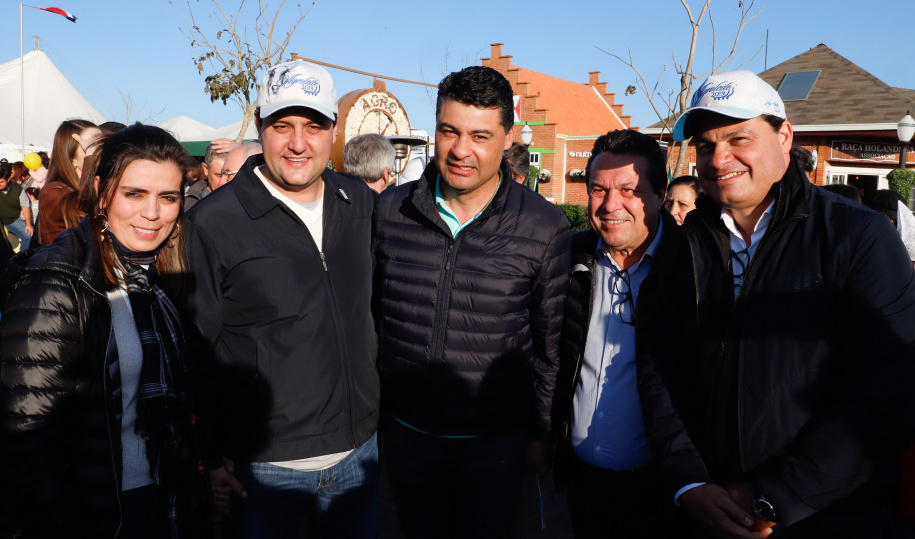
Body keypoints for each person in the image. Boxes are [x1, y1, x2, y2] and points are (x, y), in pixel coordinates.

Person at [638, 70, 915, 538]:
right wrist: (688, 482)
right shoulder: (684, 246)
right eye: (705, 145)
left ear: (784, 137)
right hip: (708, 510)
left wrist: (776, 498)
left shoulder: (858, 238)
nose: (718, 158)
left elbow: (887, 392)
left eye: (738, 138)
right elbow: (658, 368)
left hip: (829, 516)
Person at [373, 65, 572, 539]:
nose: (461, 151)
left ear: (507, 138)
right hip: (406, 436)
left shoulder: (544, 228)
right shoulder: (390, 211)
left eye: (480, 135)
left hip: (496, 447)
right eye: (449, 131)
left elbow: (550, 346)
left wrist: (541, 434)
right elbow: (372, 318)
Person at [184, 59, 379, 539]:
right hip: (264, 472)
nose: (298, 143)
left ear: (334, 130)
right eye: (282, 126)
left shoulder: (358, 201)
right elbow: (196, 352)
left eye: (314, 126)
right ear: (259, 127)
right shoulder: (215, 221)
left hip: (359, 456)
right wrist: (208, 457)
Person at [0, 123, 211, 538]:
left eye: (168, 197)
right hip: (97, 515)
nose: (152, 212)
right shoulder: (58, 282)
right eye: (134, 193)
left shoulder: (153, 269)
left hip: (157, 497)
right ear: (100, 189)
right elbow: (26, 442)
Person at [551, 129, 678, 538]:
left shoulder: (695, 268)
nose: (610, 205)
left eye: (629, 189)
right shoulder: (568, 259)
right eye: (597, 189)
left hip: (665, 490)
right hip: (582, 483)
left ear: (660, 194)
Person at [37, 119, 100, 244]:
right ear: (71, 158)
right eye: (91, 146)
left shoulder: (100, 183)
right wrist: (91, 161)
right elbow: (87, 216)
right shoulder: (53, 192)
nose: (100, 150)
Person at [184, 140, 236, 211]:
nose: (223, 182)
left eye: (230, 175)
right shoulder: (191, 205)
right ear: (206, 169)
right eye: (219, 175)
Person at [0, 163, 32, 249]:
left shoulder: (17, 188)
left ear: (8, 180)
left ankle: (20, 258)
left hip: (14, 220)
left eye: (1, 182)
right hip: (0, 221)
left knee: (28, 236)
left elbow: (25, 206)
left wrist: (28, 225)